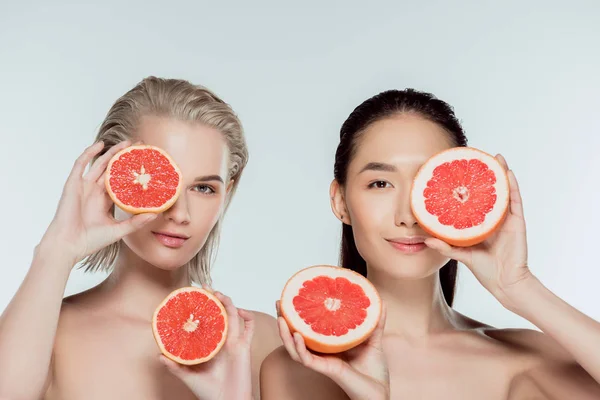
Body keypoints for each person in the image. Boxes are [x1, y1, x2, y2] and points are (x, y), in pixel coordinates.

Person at [261, 89, 600, 399]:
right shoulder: (300, 369)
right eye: (380, 183)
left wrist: (518, 286)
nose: (409, 216)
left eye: (429, 184)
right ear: (341, 202)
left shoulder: (529, 359)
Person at [0, 76, 279, 400]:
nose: (180, 213)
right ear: (110, 176)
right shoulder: (49, 333)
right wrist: (58, 250)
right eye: (156, 180)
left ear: (225, 194)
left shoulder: (258, 340)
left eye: (204, 188)